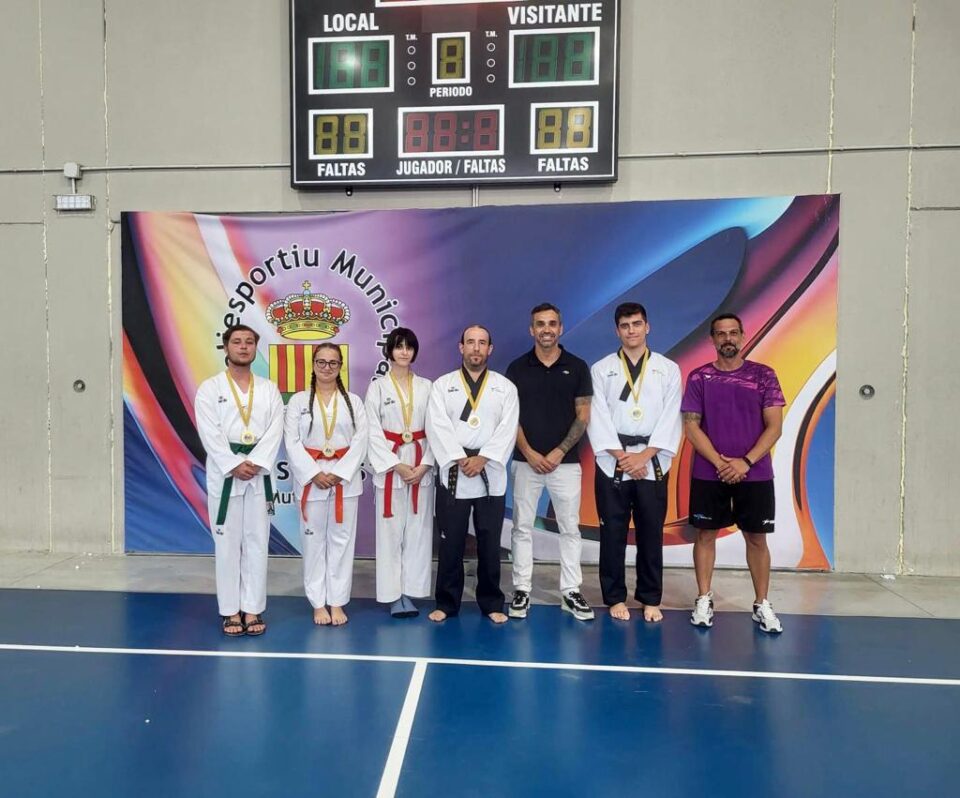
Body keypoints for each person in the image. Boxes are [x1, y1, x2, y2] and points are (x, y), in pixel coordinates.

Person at [681, 312, 785, 634]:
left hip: (755, 474)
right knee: (705, 535)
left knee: (756, 538)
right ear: (712, 339)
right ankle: (703, 598)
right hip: (708, 473)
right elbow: (691, 426)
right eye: (721, 333)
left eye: (733, 333)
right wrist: (720, 462)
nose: (727, 338)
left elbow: (774, 426)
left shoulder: (764, 375)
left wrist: (745, 463)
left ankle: (761, 603)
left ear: (742, 336)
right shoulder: (699, 378)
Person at [587, 302, 682, 623]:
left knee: (651, 532)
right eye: (625, 326)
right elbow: (597, 416)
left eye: (637, 324)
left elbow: (671, 416)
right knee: (612, 533)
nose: (632, 330)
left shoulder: (668, 369)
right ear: (617, 331)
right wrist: (622, 457)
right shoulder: (602, 369)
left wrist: (644, 456)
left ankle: (650, 598)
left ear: (647, 326)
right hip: (612, 461)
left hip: (652, 461)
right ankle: (614, 597)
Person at [505, 303, 594, 621]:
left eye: (552, 323)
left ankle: (571, 591)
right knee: (522, 528)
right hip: (525, 462)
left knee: (570, 528)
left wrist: (559, 452)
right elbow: (510, 417)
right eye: (540, 324)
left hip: (565, 464)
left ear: (560, 328)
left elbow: (583, 415)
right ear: (532, 329)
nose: (546, 329)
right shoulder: (517, 368)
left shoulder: (577, 366)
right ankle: (521, 589)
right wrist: (529, 452)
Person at [425, 324, 519, 624]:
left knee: (490, 542)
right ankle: (446, 602)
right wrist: (459, 458)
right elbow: (436, 426)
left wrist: (484, 458)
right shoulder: (443, 385)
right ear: (461, 347)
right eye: (470, 342)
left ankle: (491, 602)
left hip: (490, 471)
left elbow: (508, 428)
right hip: (455, 471)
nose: (476, 348)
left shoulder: (505, 387)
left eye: (482, 343)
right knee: (451, 541)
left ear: (490, 349)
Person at [194, 323, 284, 637]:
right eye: (237, 342)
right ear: (226, 347)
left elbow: (275, 429)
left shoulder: (269, 389)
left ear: (255, 348)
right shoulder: (210, 389)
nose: (243, 347)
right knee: (228, 544)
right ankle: (231, 611)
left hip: (258, 474)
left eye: (248, 342)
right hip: (225, 473)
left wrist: (255, 462)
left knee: (257, 542)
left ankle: (253, 608)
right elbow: (209, 432)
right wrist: (233, 464)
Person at [284, 342, 368, 626]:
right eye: (321, 362)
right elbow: (291, 442)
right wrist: (313, 473)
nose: (327, 367)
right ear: (314, 364)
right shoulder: (299, 401)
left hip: (344, 481)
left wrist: (340, 472)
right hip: (312, 481)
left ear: (340, 366)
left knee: (341, 543)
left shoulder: (353, 402)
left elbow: (361, 440)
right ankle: (318, 603)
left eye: (333, 362)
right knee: (313, 543)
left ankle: (337, 602)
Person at [365, 328, 435, 618]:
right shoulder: (377, 388)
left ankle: (411, 591)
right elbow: (371, 431)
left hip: (421, 465)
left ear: (415, 351)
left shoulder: (427, 386)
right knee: (390, 534)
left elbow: (437, 428)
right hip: (392, 466)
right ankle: (393, 595)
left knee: (418, 533)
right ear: (389, 351)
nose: (404, 352)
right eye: (398, 347)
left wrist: (426, 464)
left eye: (409, 347)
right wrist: (396, 464)